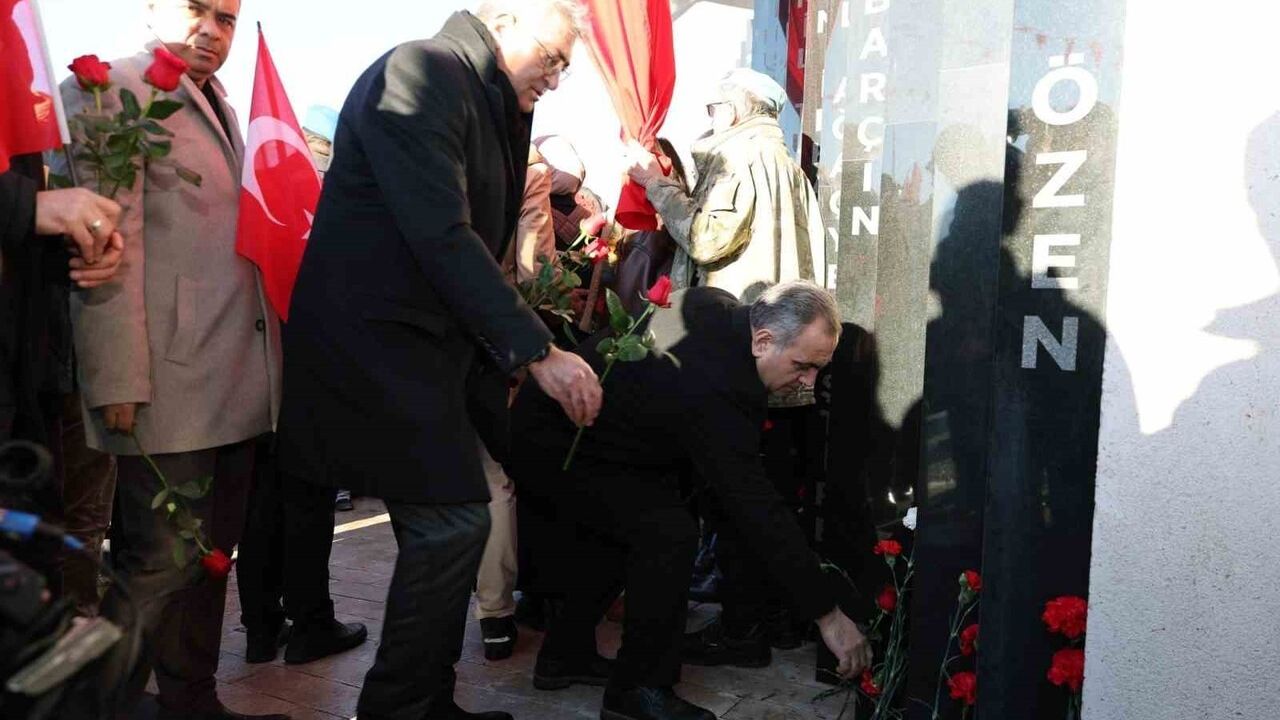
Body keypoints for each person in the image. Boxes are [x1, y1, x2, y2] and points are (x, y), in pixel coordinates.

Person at [275, 2, 601, 719]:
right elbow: (440, 233)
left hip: (432, 357)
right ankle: (395, 707)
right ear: (503, 19)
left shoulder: (488, 102)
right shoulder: (421, 70)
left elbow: (486, 251)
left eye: (565, 67)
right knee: (453, 523)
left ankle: (430, 700)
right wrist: (537, 351)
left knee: (458, 524)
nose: (557, 76)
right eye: (551, 56)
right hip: (378, 346)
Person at [54, 2, 288, 718]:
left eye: (227, 17)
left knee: (211, 559)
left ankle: (192, 700)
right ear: (152, 8)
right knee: (156, 564)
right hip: (166, 380)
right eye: (197, 9)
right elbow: (105, 251)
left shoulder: (222, 104)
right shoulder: (107, 91)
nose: (212, 29)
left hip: (234, 374)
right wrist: (116, 377)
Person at [506, 281, 871, 720]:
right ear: (763, 340)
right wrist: (828, 615)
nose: (809, 381)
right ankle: (637, 691)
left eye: (818, 369)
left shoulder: (719, 307)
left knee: (637, 524)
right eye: (803, 365)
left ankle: (565, 655)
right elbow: (757, 508)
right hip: (554, 439)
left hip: (599, 439)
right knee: (668, 534)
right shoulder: (718, 385)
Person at [234, 101, 367, 666]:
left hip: (253, 363)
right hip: (307, 366)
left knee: (261, 505)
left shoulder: (247, 190)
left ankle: (262, 628)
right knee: (307, 501)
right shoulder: (317, 191)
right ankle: (311, 621)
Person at [1, 154, 124, 609]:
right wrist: (28, 208)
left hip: (66, 370)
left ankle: (76, 622)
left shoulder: (58, 141)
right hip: (46, 372)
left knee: (82, 517)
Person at [624, 68, 825, 303]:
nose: (711, 119)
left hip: (734, 317)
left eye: (712, 109)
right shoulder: (787, 166)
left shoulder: (739, 157)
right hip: (774, 320)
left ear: (730, 111)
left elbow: (708, 239)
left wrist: (655, 183)